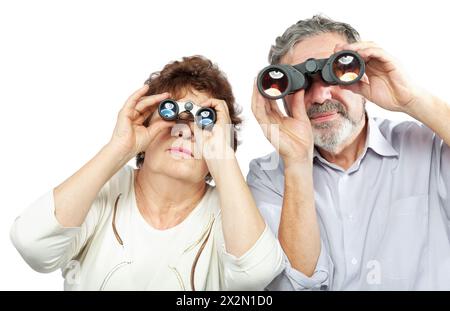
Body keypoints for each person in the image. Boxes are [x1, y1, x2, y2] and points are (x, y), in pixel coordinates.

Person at [11, 55, 284, 290]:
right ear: (145, 127)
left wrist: (222, 159)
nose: (186, 131)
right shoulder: (107, 189)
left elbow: (256, 273)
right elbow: (33, 244)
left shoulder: (229, 212)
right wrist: (118, 149)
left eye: (203, 123)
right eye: (172, 117)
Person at [248, 15, 450, 290]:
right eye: (302, 84)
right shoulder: (268, 176)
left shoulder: (426, 148)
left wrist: (411, 99)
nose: (320, 96)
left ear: (361, 74)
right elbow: (296, 284)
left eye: (336, 73)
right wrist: (297, 162)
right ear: (283, 97)